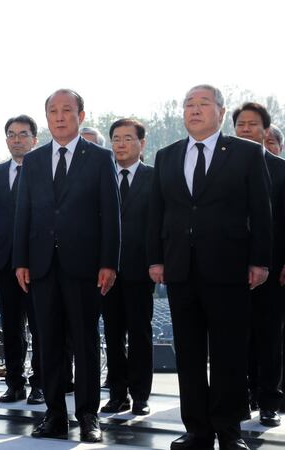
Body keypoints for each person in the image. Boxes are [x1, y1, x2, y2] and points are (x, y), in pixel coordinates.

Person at [148, 85, 271, 450]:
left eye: (203, 104)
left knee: (228, 353)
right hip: (180, 269)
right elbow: (158, 212)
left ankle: (229, 430)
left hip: (229, 267)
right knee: (188, 353)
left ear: (220, 111)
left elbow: (261, 212)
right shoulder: (167, 155)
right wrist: (155, 258)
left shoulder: (247, 153)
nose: (194, 110)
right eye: (189, 104)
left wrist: (260, 261)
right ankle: (197, 430)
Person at [13, 89, 120, 443]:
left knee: (86, 340)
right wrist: (21, 260)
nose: (60, 117)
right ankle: (54, 414)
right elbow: (23, 215)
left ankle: (89, 415)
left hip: (85, 266)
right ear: (46, 118)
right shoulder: (35, 160)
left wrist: (109, 262)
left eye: (67, 110)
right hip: (42, 265)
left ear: (81, 115)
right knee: (49, 341)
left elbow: (111, 216)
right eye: (53, 111)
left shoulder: (100, 158)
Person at [0, 116, 44, 405]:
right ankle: (14, 383)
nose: (16, 139)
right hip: (3, 260)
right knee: (12, 326)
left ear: (34, 139)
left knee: (41, 326)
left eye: (23, 134)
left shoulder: (46, 170)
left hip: (38, 260)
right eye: (11, 134)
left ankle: (40, 384)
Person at [233, 102, 285, 427]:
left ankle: (269, 400)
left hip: (274, 268)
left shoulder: (281, 169)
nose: (246, 129)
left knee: (270, 336)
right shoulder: (225, 167)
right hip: (229, 268)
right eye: (240, 124)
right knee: (236, 337)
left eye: (253, 124)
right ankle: (242, 397)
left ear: (265, 130)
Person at [100, 119, 154, 416]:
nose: (120, 144)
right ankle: (117, 393)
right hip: (107, 271)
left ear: (141, 144)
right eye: (116, 139)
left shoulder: (153, 177)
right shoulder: (102, 176)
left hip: (141, 270)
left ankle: (141, 394)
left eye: (127, 139)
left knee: (140, 333)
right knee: (112, 333)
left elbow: (159, 225)